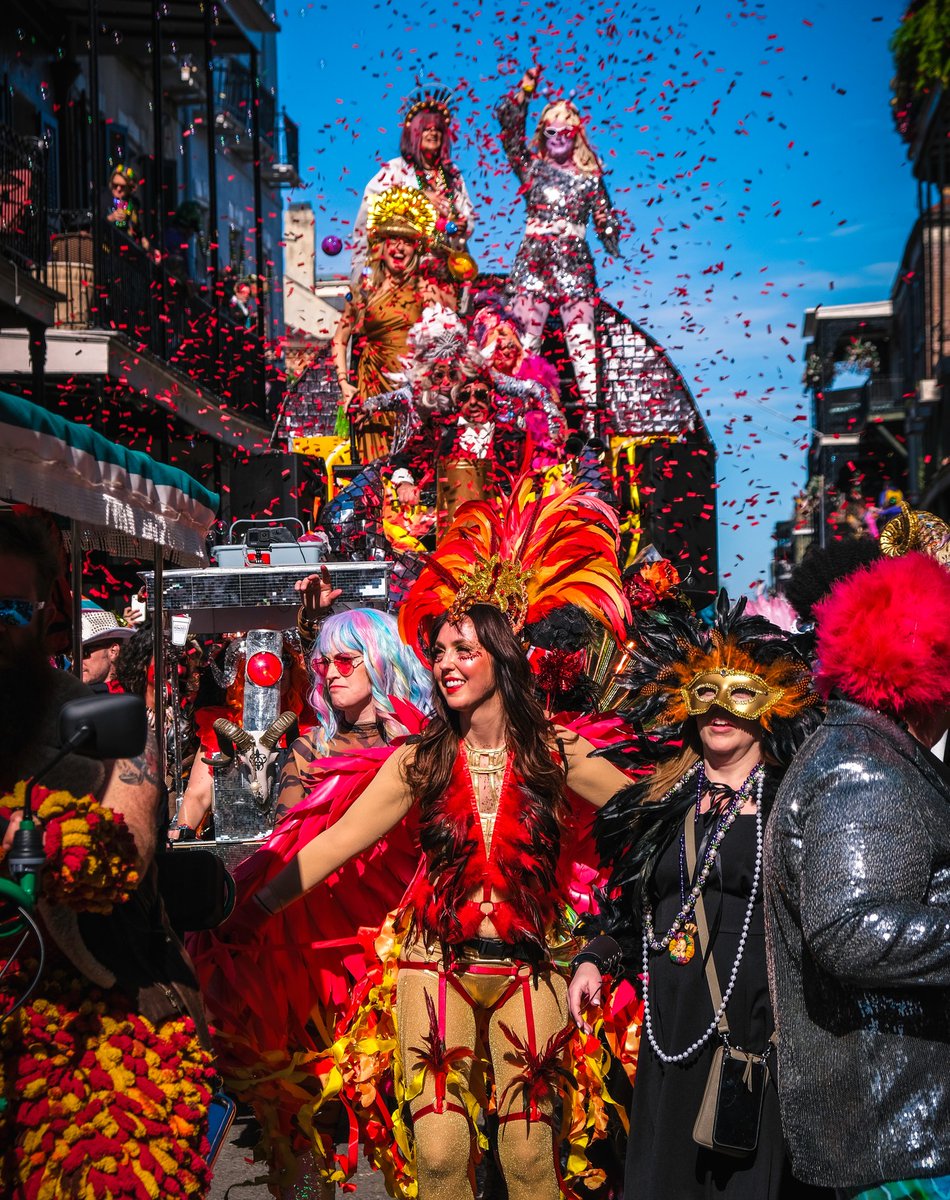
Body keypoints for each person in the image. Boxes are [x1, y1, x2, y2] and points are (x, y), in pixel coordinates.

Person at [224, 479, 634, 1198]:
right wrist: (251, 911)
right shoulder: (419, 760)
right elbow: (338, 843)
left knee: (530, 1160)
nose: (445, 662)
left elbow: (646, 812)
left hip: (530, 965)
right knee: (440, 1156)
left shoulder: (556, 752)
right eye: (439, 650)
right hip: (433, 964)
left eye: (463, 649)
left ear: (502, 657)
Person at [568, 595, 827, 1200]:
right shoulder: (664, 801)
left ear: (773, 704)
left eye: (740, 694)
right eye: (706, 692)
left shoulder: (792, 803)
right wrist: (596, 958)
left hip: (752, 1042)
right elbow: (634, 912)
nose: (719, 709)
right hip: (671, 1036)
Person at [0, 511, 214, 1198]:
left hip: (93, 1010)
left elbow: (128, 844)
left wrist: (48, 840)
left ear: (45, 616)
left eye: (9, 611)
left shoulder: (100, 726)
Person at [764, 546, 950, 1200]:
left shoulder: (867, 751)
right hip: (902, 1141)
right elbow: (848, 928)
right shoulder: (865, 767)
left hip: (903, 1130)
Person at [496, 65, 621, 428]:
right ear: (542, 133)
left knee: (582, 339)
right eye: (550, 130)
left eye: (564, 131)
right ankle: (519, 415)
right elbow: (509, 133)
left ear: (576, 134)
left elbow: (605, 217)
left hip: (573, 261)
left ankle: (593, 420)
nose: (557, 137)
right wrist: (526, 90)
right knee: (526, 339)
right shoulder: (532, 169)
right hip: (534, 260)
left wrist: (609, 228)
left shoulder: (590, 179)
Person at [332, 187, 452, 462]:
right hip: (371, 388)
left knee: (414, 466)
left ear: (416, 247)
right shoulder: (363, 290)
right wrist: (344, 383)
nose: (399, 247)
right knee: (375, 469)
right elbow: (339, 339)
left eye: (406, 241)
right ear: (381, 246)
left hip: (414, 394)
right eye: (393, 240)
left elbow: (447, 343)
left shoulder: (427, 289)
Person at [350, 86, 475, 291]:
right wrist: (418, 198)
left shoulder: (452, 175)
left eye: (438, 129)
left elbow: (466, 214)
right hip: (404, 274)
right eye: (426, 128)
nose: (433, 133)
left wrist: (461, 225)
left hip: (445, 273)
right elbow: (370, 214)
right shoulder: (394, 170)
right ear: (415, 133)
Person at [80, 597, 135, 689]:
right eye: (72, 656)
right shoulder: (71, 693)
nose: (74, 662)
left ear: (113, 651)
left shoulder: (130, 693)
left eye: (85, 652)